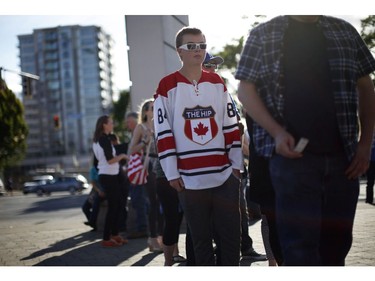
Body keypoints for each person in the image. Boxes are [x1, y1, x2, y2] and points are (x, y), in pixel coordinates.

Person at [236, 15, 375, 265]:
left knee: (337, 246)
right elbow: (245, 89)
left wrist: (365, 145)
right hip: (291, 161)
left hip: (344, 160)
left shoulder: (345, 31)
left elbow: (366, 87)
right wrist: (277, 132)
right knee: (298, 248)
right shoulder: (263, 34)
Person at [154, 27, 243, 265]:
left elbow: (230, 125)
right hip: (189, 180)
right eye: (191, 46)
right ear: (179, 51)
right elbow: (163, 133)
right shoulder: (166, 86)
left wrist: (236, 166)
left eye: (202, 45)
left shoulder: (217, 82)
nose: (198, 50)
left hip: (224, 176)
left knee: (232, 239)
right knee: (201, 241)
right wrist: (172, 173)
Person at [203, 52, 266, 263]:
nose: (213, 69)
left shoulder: (223, 92)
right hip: (212, 167)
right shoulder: (196, 94)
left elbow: (237, 129)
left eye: (214, 66)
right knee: (214, 218)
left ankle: (244, 248)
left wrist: (244, 156)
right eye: (209, 65)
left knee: (239, 211)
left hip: (233, 163)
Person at [128, 99, 164, 253]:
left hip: (162, 163)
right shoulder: (140, 127)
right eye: (152, 107)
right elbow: (131, 150)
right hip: (149, 164)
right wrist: (145, 140)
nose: (155, 108)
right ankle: (153, 238)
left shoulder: (160, 123)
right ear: (146, 111)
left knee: (163, 202)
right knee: (154, 202)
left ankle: (162, 238)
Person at [92, 115, 129, 247]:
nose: (113, 124)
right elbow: (110, 160)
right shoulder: (104, 140)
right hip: (108, 176)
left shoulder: (99, 140)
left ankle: (114, 234)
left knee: (118, 205)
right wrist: (123, 156)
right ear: (104, 125)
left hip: (109, 175)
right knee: (113, 207)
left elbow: (98, 162)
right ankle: (106, 238)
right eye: (111, 123)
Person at [82, 165, 106, 231]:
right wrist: (99, 191)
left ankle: (92, 221)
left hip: (105, 191)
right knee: (85, 207)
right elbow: (93, 183)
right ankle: (93, 224)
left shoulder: (106, 167)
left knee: (96, 202)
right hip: (96, 191)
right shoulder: (93, 169)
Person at [366, 133, 375, 204]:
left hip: (370, 159)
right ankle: (369, 199)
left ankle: (369, 199)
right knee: (370, 182)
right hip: (370, 159)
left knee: (370, 182)